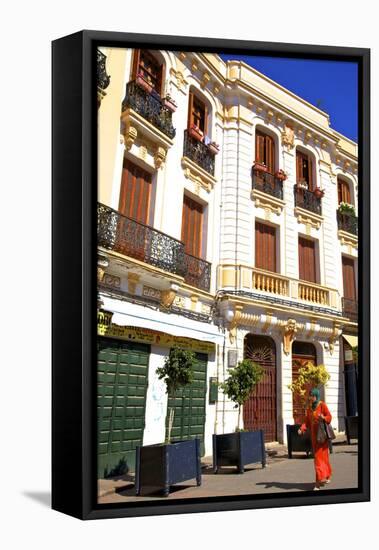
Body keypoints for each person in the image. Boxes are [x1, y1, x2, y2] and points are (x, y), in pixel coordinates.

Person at [298, 388, 332, 490]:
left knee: (322, 458)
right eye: (310, 395)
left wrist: (324, 418)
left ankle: (318, 482)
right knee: (318, 458)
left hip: (323, 436)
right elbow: (307, 422)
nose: (310, 398)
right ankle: (326, 476)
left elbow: (329, 417)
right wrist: (302, 429)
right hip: (314, 438)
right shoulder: (309, 409)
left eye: (312, 396)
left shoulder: (322, 405)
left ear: (316, 396)